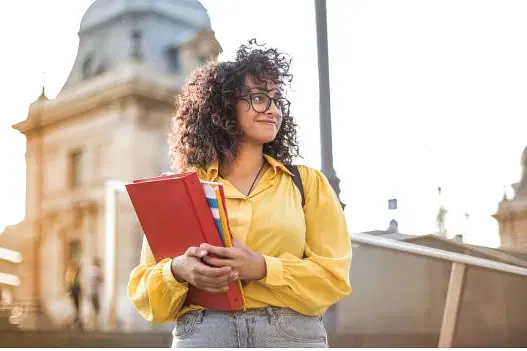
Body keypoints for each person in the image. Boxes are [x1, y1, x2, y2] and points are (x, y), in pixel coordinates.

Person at [127, 39, 352, 348]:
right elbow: (145, 294)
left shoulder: (307, 184)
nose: (273, 109)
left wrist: (261, 267)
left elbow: (334, 277)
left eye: (276, 100)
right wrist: (179, 270)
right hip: (204, 334)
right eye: (259, 97)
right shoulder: (181, 190)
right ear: (224, 107)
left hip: (290, 336)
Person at [65, 260, 83, 330]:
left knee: (77, 307)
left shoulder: (73, 274)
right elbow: (71, 283)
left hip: (76, 291)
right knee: (76, 307)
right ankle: (77, 320)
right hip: (75, 291)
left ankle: (77, 320)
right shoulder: (72, 274)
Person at [88, 257, 103, 329]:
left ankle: (94, 322)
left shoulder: (91, 270)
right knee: (96, 307)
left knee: (94, 307)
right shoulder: (97, 270)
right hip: (95, 292)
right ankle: (95, 322)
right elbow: (101, 280)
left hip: (92, 292)